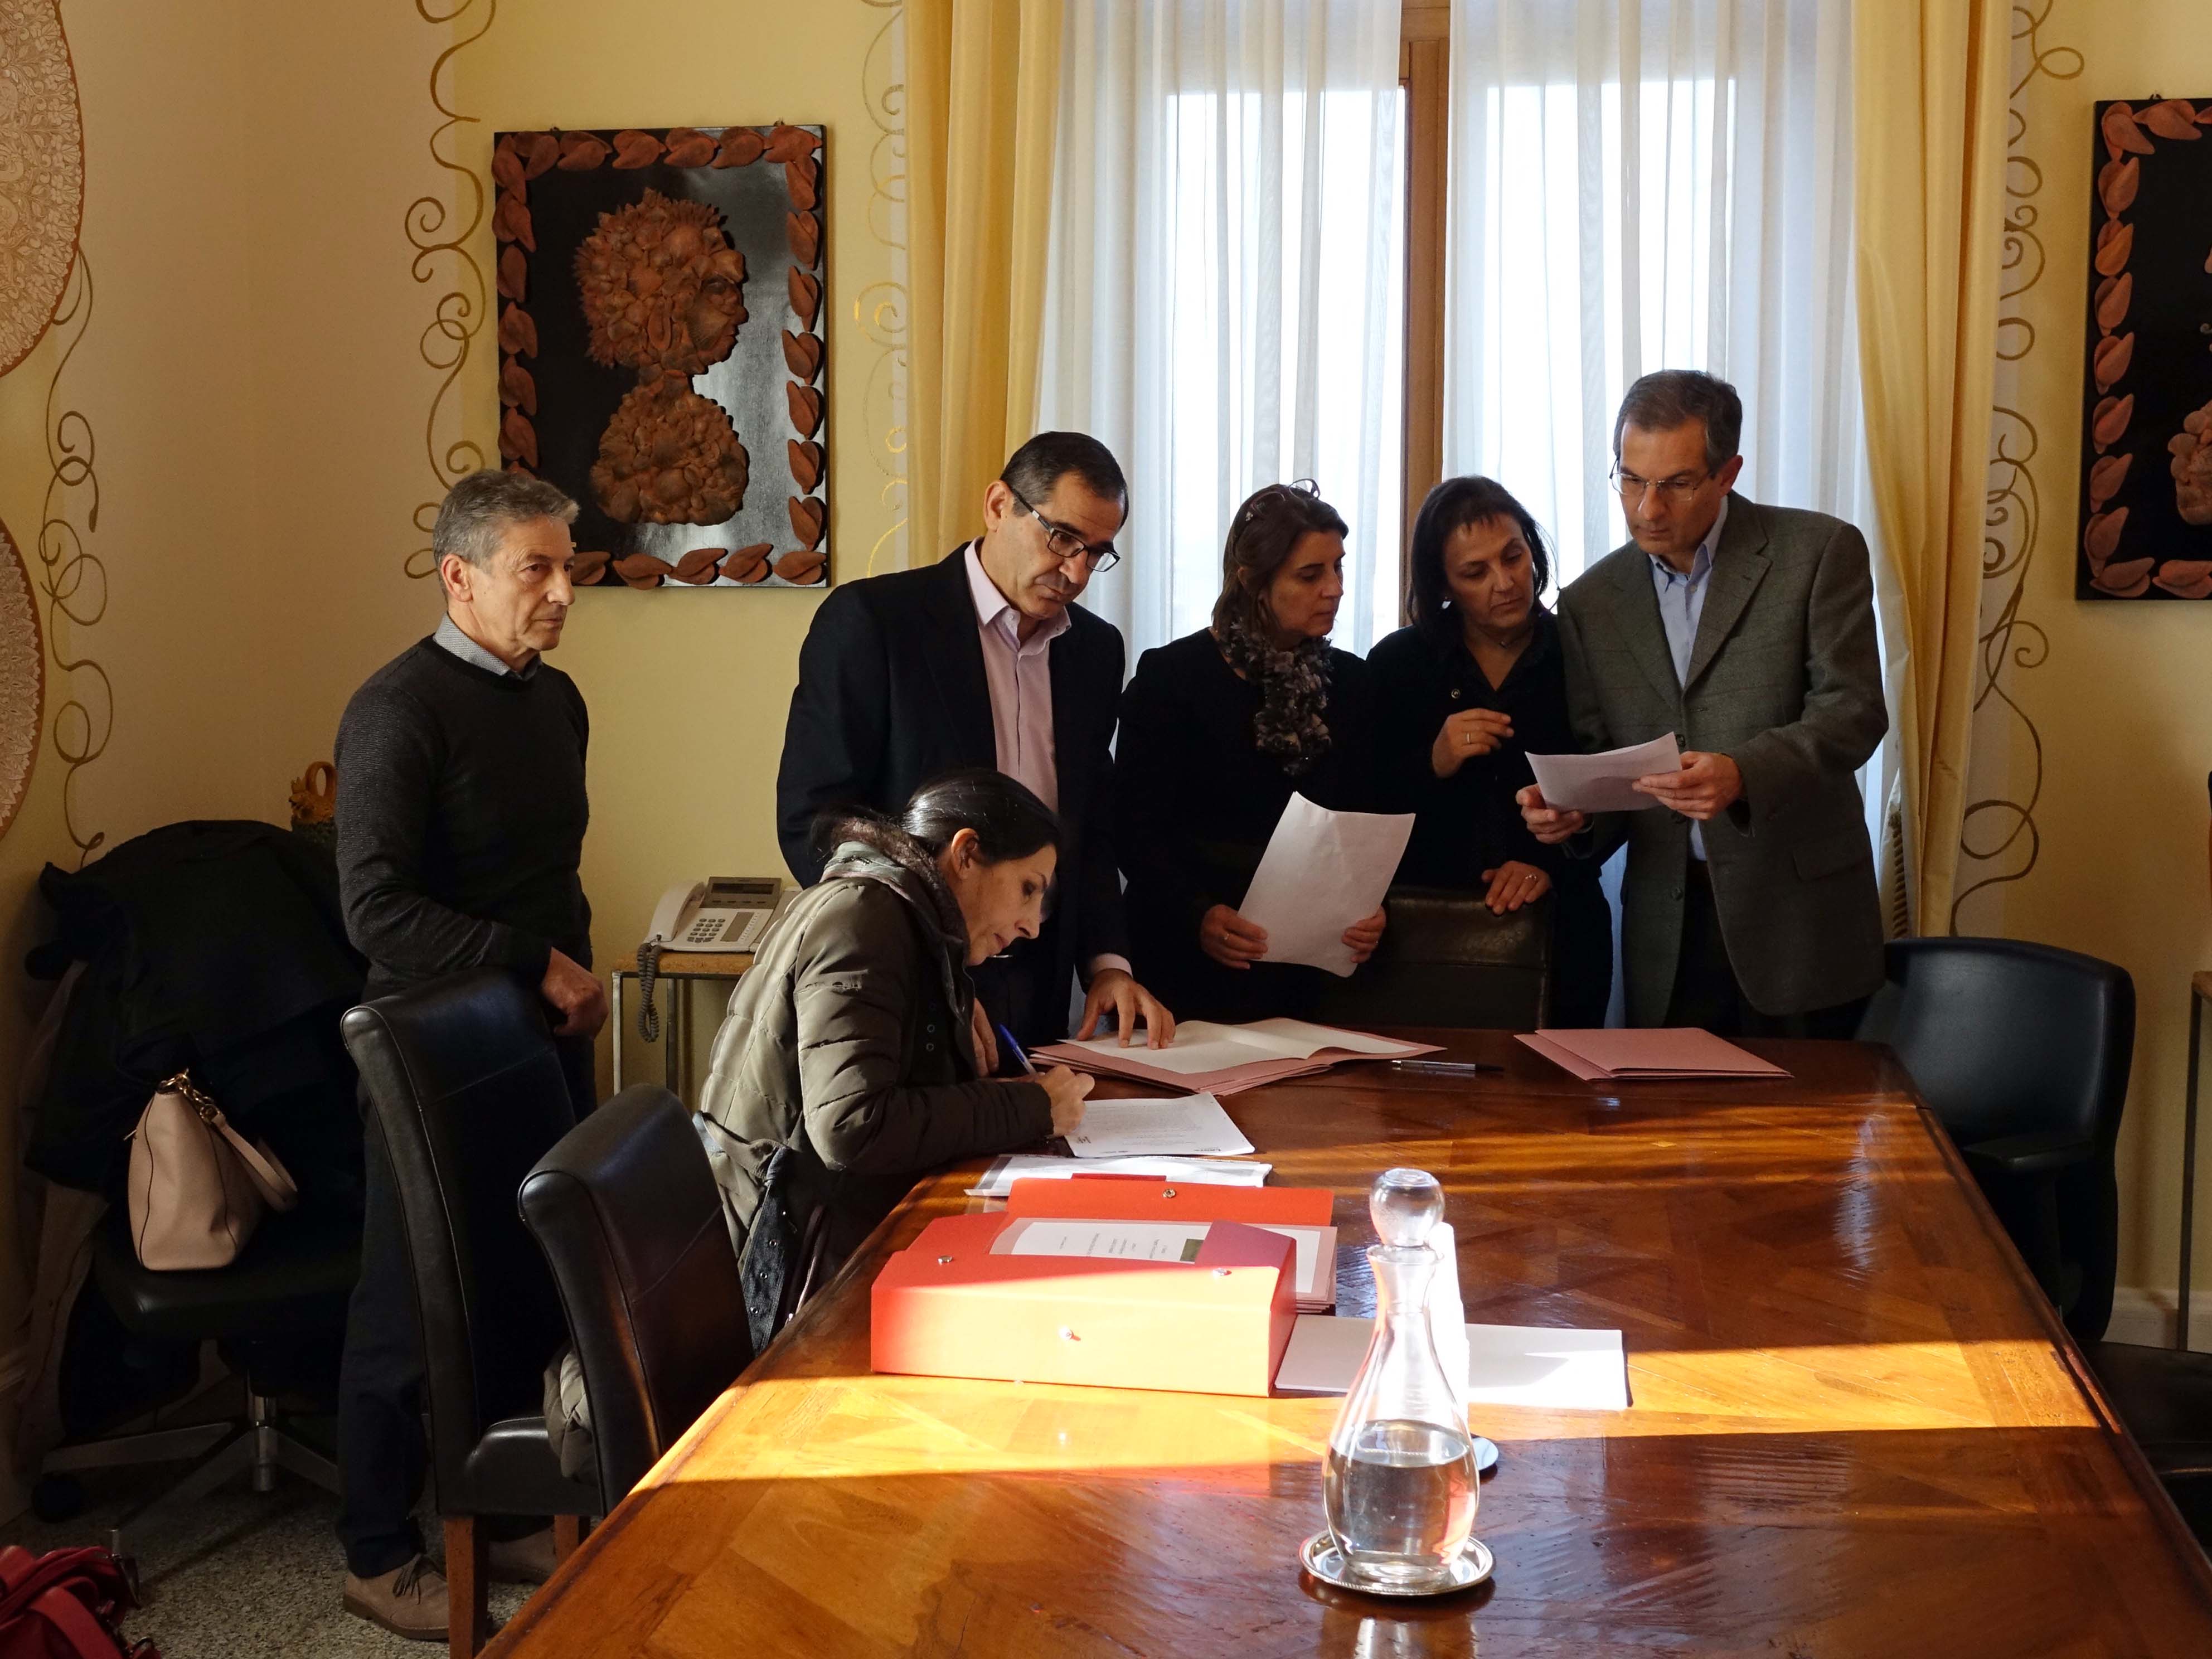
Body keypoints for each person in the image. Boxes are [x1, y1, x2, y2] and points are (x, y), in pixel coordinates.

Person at [332, 469, 604, 1639]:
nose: (561, 592)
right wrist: (533, 960)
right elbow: (375, 911)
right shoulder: (397, 710)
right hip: (430, 1050)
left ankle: (497, 1511)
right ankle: (374, 1552)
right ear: (460, 577)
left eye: (566, 568)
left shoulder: (558, 702)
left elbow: (547, 877)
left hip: (536, 1032)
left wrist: (571, 981)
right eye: (534, 569)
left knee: (532, 1285)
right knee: (413, 1302)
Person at [776, 431, 1174, 1053]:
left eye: (1097, 553)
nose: (1077, 572)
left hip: (1041, 973)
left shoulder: (1095, 650)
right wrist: (922, 965)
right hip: (910, 975)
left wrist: (1108, 965)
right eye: (1062, 538)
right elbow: (816, 820)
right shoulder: (875, 622)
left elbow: (1090, 824)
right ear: (998, 506)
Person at [1517, 370, 1887, 1036]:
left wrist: (1744, 773)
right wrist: (1574, 814)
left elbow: (1853, 711)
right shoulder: (1589, 602)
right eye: (1630, 479)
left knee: (1815, 1106)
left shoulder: (1817, 552)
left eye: (1676, 483)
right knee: (1671, 1107)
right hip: (1667, 930)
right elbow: (1607, 762)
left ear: (1727, 474)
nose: (1646, 509)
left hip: (1799, 921)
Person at [696, 770, 1094, 1338]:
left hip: (819, 1234)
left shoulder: (898, 917)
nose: (1032, 925)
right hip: (790, 1274)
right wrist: (1030, 1110)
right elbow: (853, 1128)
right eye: (1028, 888)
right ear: (966, 854)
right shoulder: (865, 918)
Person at [1115, 481, 1387, 1023]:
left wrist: (1375, 908)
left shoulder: (1354, 684)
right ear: (1253, 582)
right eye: (1310, 575)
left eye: (1338, 568)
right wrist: (1197, 914)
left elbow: (1369, 822)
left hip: (1314, 965)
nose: (1334, 589)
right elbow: (1134, 830)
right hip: (1188, 957)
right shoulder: (1171, 678)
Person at [1368, 477, 1612, 1026]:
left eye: (1513, 556)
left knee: (1559, 1079)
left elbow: (1624, 790)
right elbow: (1360, 806)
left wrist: (1553, 859)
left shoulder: (1584, 653)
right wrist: (1432, 761)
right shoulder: (1398, 663)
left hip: (1562, 926)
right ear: (1442, 585)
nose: (1504, 583)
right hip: (1425, 933)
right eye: (1475, 573)